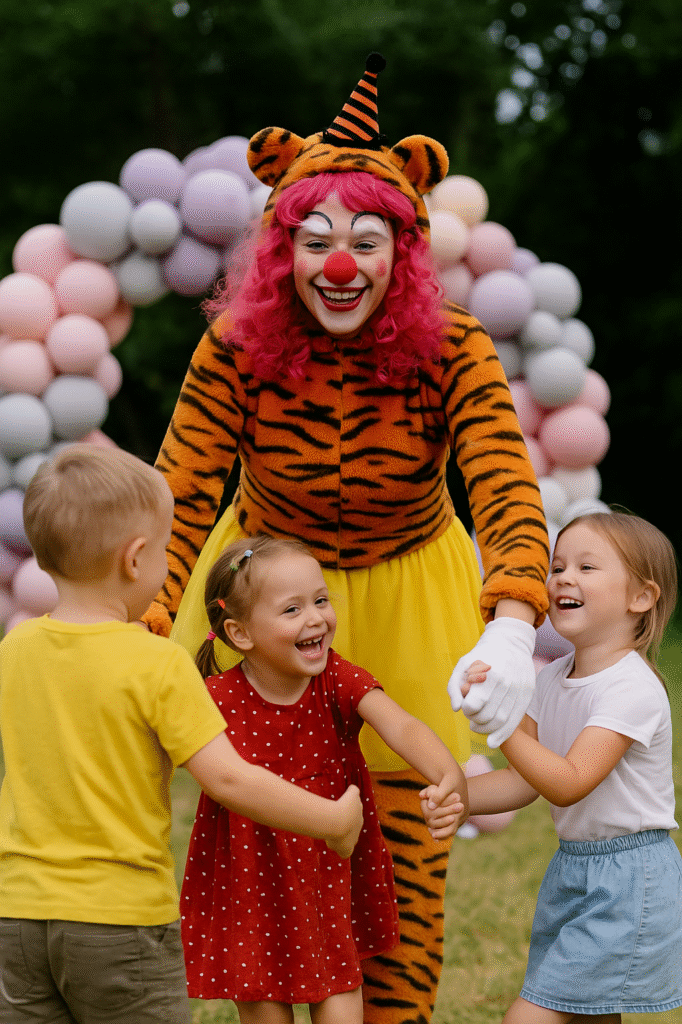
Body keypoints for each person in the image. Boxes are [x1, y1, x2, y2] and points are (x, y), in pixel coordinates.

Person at [144, 54, 549, 1022]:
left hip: (410, 590)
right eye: (315, 239)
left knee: (403, 840)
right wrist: (146, 616)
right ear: (278, 249)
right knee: (270, 837)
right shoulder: (233, 347)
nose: (339, 265)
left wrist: (509, 615)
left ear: (400, 253)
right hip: (263, 593)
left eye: (365, 242)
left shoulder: (456, 345)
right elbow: (183, 488)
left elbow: (501, 482)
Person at [0, 445, 363, 1024]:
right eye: (166, 551)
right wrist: (334, 821)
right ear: (135, 559)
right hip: (118, 921)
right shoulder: (155, 663)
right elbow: (227, 777)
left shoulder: (14, 648)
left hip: (16, 917)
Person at [181, 533, 468, 1024]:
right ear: (240, 633)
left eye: (320, 601)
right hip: (251, 880)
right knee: (266, 1009)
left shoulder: (336, 678)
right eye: (292, 610)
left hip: (326, 873)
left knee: (339, 990)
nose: (316, 618)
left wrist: (447, 773)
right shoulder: (215, 697)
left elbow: (400, 724)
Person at [465, 511, 682, 1023]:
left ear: (641, 598)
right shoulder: (552, 678)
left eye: (587, 567)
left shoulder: (631, 689)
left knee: (534, 1014)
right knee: (586, 1015)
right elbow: (524, 781)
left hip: (630, 880)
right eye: (558, 565)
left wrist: (499, 722)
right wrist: (456, 793)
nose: (563, 577)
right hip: (576, 869)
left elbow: (567, 783)